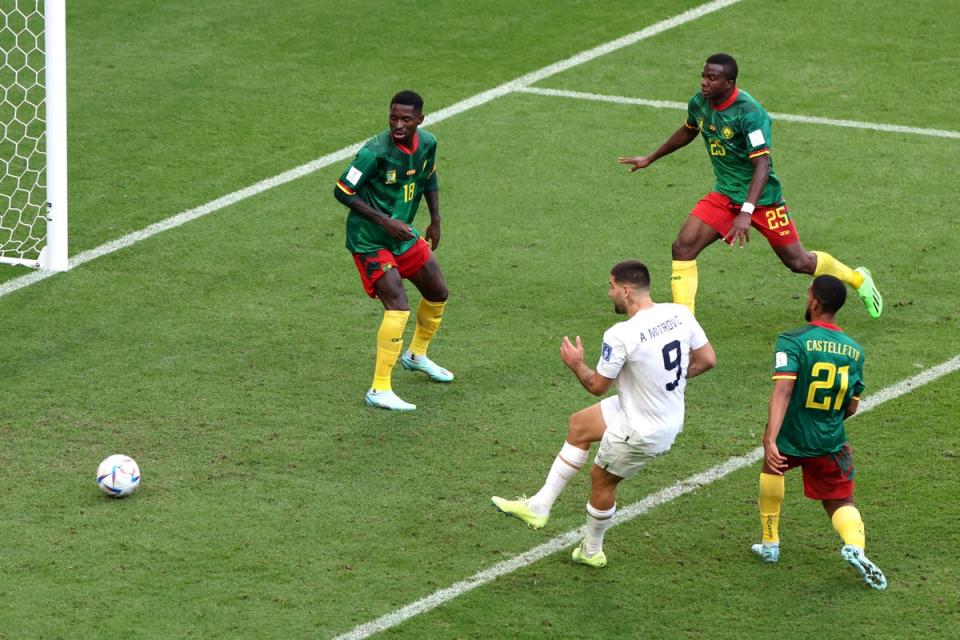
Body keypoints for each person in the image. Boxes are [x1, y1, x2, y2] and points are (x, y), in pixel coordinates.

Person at [618, 53, 882, 320]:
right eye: (703, 75)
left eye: (712, 78)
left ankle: (858, 279)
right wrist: (651, 157)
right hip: (724, 194)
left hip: (763, 200)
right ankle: (685, 324)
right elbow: (689, 129)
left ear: (729, 83)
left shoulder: (750, 113)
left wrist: (746, 211)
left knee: (798, 262)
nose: (704, 82)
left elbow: (763, 166)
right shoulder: (700, 103)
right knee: (683, 247)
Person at [491, 260, 716, 567]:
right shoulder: (680, 313)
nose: (609, 293)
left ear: (626, 290)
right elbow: (707, 359)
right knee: (580, 425)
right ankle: (539, 506)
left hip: (642, 429)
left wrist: (576, 364)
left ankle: (592, 550)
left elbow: (597, 385)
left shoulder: (621, 334)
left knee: (602, 480)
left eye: (611, 287)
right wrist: (666, 381)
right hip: (659, 411)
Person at [752, 275, 886, 590]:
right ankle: (855, 546)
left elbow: (783, 389)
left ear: (814, 301)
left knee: (772, 467)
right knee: (840, 500)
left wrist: (771, 437)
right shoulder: (855, 350)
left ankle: (770, 543)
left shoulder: (792, 340)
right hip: (830, 439)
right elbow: (852, 407)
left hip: (791, 435)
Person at [334, 90, 453, 412]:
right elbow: (343, 190)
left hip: (402, 234)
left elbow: (428, 176)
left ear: (419, 120)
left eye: (405, 119)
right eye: (393, 118)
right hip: (370, 239)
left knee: (438, 291)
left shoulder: (427, 143)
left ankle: (416, 355)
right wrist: (384, 222)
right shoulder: (373, 152)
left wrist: (436, 219)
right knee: (398, 307)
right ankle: (379, 389)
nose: (398, 124)